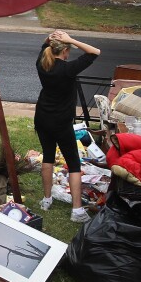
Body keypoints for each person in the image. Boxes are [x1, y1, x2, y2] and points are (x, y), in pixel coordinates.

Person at [34, 29, 100, 222]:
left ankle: (46, 200)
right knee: (73, 164)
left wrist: (51, 37)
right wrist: (70, 39)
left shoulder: (42, 63)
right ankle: (77, 210)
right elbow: (95, 52)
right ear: (65, 51)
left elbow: (44, 45)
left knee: (47, 156)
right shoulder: (68, 69)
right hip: (61, 122)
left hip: (42, 118)